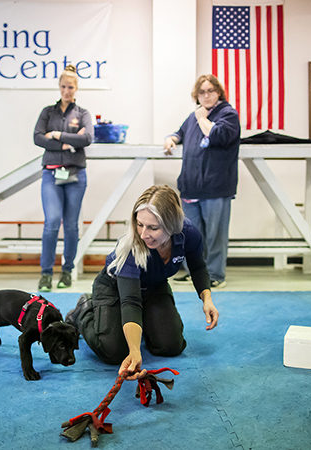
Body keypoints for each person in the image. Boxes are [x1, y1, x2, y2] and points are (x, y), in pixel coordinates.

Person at [66, 185, 220, 380]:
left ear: (171, 225)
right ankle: (84, 310)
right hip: (116, 289)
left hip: (153, 287)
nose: (143, 233)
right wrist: (134, 351)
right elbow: (130, 302)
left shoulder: (188, 233)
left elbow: (197, 267)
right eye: (140, 224)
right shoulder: (131, 246)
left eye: (153, 227)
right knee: (114, 352)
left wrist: (207, 299)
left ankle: (146, 323)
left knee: (171, 346)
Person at [163, 74, 240, 289]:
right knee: (190, 234)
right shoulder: (193, 117)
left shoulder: (228, 114)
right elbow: (179, 133)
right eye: (201, 92)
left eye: (210, 91)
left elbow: (217, 135)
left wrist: (202, 119)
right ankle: (194, 271)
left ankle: (215, 274)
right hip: (191, 187)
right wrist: (171, 139)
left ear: (218, 92)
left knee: (215, 235)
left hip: (216, 188)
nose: (206, 96)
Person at [33, 65, 93, 292]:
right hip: (51, 173)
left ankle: (67, 270)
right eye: (63, 86)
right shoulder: (48, 112)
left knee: (70, 226)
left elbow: (87, 138)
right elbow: (37, 137)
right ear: (59, 87)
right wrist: (68, 142)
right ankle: (46, 273)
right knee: (51, 223)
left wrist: (57, 135)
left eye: (71, 87)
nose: (67, 90)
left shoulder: (83, 113)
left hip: (76, 174)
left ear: (76, 88)